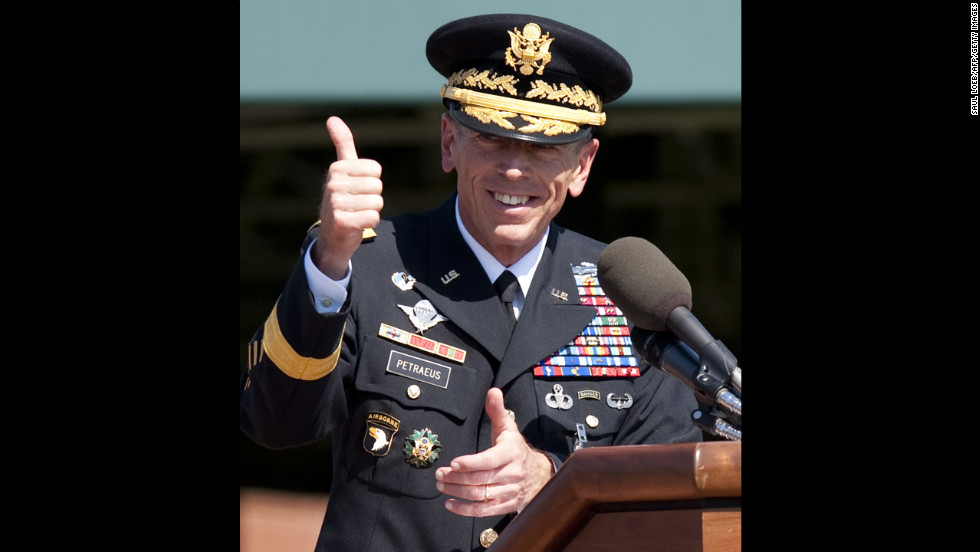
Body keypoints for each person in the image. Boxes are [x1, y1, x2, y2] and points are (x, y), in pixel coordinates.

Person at [241, 13, 703, 551]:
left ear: (582, 166)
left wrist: (552, 480)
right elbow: (273, 422)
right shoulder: (365, 263)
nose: (514, 169)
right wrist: (327, 263)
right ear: (448, 142)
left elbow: (664, 512)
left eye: (545, 147)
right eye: (490, 138)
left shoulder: (630, 294)